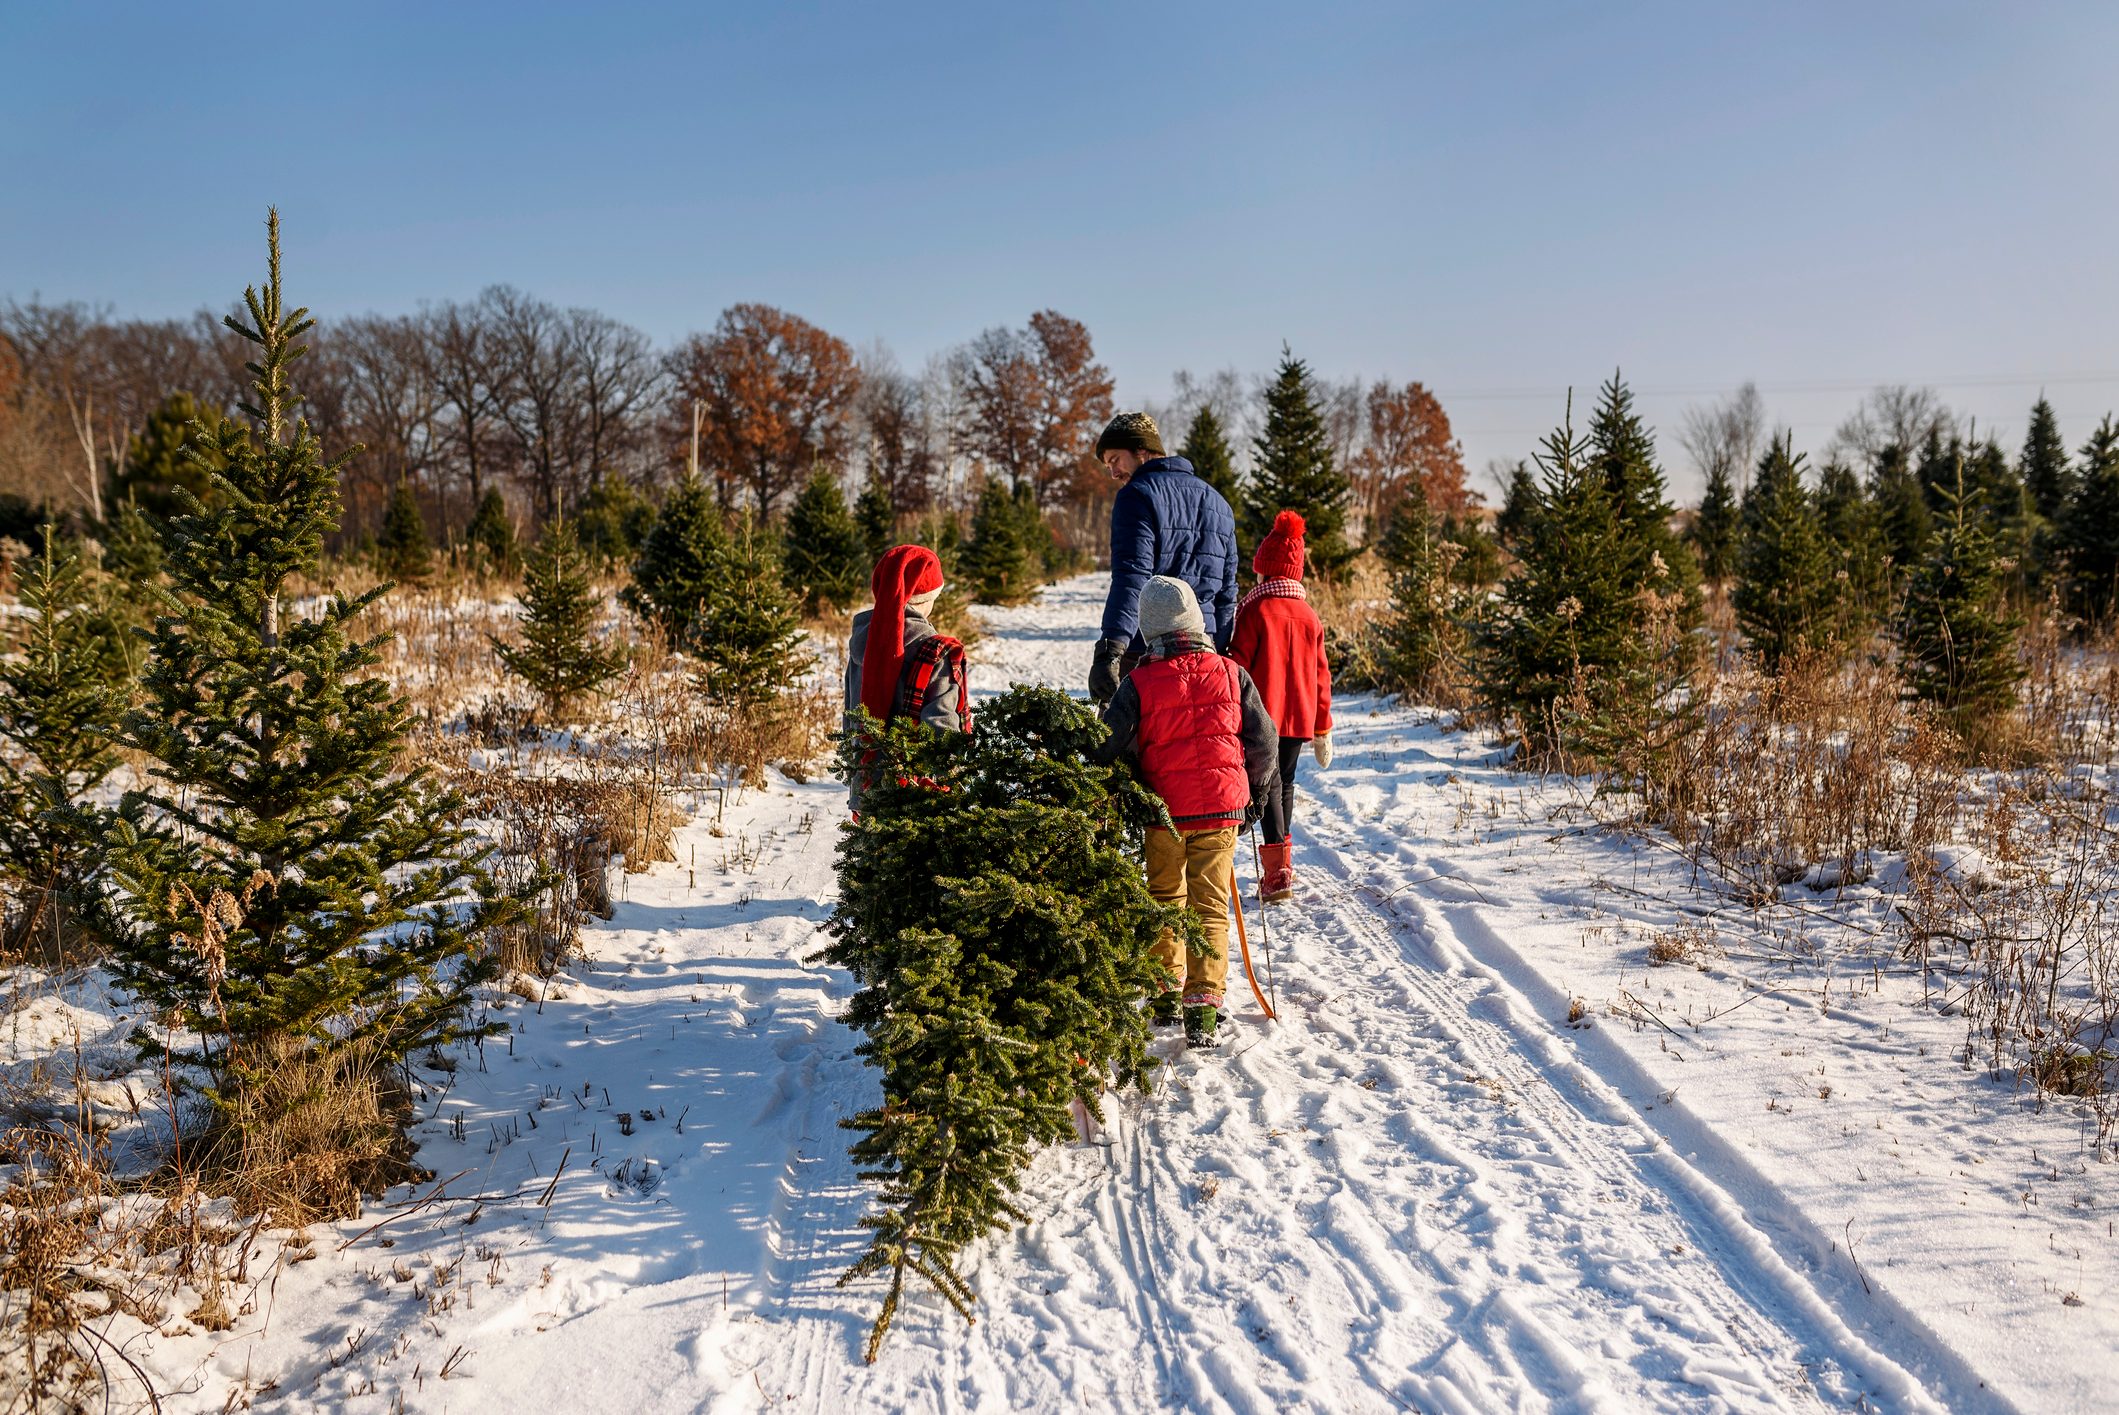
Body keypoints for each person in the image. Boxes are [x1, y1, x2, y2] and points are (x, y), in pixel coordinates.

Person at [1096, 576, 1278, 1049]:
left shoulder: (1138, 682)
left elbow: (1107, 743)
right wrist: (1255, 795)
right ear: (1197, 622)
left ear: (1148, 631)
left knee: (1165, 898)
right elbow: (1264, 740)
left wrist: (1120, 783)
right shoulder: (1232, 672)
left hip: (1163, 812)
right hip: (1220, 810)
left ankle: (1163, 992)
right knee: (1210, 906)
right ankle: (1203, 1003)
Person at [1087, 412, 1238, 707]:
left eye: (1115, 459)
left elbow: (1132, 577)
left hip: (1147, 654)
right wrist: (1216, 647)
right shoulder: (1219, 502)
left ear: (1141, 451)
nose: (1113, 473)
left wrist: (1110, 650)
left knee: (1128, 750)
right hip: (1204, 655)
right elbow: (1226, 590)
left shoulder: (1137, 496)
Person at [1229, 510, 1333, 902]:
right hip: (1299, 718)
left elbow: (1237, 664)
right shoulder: (1310, 616)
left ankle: (1276, 875)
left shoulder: (1255, 610)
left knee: (1269, 784)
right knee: (1284, 782)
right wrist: (1322, 726)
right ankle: (1282, 862)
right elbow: (1322, 676)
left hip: (1263, 716)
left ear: (1266, 571)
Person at [844, 544, 969, 810]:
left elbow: (851, 716)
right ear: (927, 598)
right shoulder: (936, 651)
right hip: (916, 798)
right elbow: (941, 733)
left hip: (867, 789)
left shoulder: (863, 640)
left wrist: (857, 779)